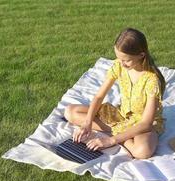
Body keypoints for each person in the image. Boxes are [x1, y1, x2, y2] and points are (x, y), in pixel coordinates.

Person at [64, 28, 166, 159]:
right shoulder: (119, 65)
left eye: (126, 60)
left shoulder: (152, 80)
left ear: (141, 55)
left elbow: (146, 123)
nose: (121, 64)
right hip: (121, 115)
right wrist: (87, 123)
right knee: (70, 112)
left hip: (143, 124)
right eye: (119, 58)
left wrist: (111, 141)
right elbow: (99, 96)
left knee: (142, 151)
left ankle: (115, 134)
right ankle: (121, 133)